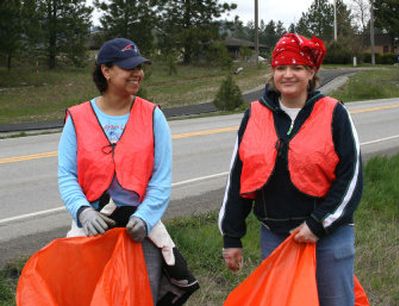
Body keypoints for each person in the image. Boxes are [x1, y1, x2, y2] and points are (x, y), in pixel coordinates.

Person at [218, 33, 363, 306]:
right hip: (275, 237)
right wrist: (231, 236)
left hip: (329, 236)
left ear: (311, 73)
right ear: (272, 72)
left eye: (297, 67)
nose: (288, 74)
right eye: (281, 68)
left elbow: (351, 178)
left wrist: (318, 223)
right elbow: (239, 178)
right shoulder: (254, 115)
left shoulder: (334, 113)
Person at [58, 38, 198, 305]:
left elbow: (161, 178)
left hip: (140, 230)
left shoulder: (153, 115)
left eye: (140, 67)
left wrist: (145, 218)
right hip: (92, 227)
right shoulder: (77, 118)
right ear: (106, 71)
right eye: (128, 67)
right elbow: (66, 175)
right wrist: (83, 211)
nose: (138, 73)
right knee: (87, 294)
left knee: (140, 294)